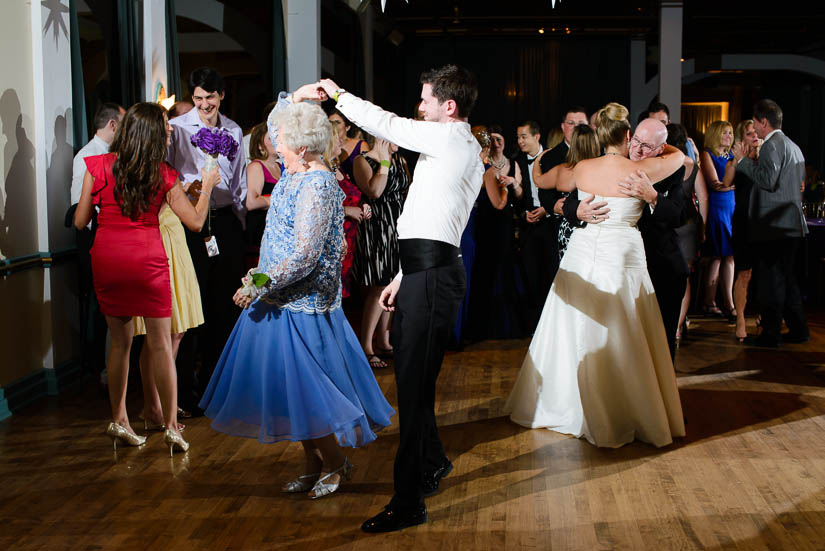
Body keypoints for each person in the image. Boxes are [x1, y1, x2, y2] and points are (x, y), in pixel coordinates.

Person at [199, 88, 394, 499]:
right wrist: (299, 95)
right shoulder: (294, 172)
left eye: (283, 142)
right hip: (277, 300)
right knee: (292, 394)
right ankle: (312, 465)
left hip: (303, 304)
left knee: (309, 394)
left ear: (303, 148)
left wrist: (257, 283)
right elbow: (274, 123)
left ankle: (338, 463)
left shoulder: (318, 185)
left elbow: (305, 255)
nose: (274, 146)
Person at [318, 64, 483, 532]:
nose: (420, 107)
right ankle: (432, 462)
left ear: (448, 107)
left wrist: (336, 92)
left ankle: (409, 502)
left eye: (427, 100)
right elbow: (430, 220)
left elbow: (385, 124)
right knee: (416, 386)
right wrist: (400, 277)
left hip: (433, 275)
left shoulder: (450, 138)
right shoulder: (453, 143)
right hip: (424, 271)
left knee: (411, 392)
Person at [506, 102, 686, 448]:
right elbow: (678, 157)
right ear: (628, 134)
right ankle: (628, 408)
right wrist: (659, 146)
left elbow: (541, 177)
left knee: (574, 329)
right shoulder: (642, 169)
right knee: (624, 333)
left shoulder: (582, 168)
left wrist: (573, 206)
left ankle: (566, 404)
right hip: (620, 255)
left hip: (582, 252)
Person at [74, 102, 219, 454]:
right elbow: (196, 222)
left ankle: (119, 419)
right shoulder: (164, 174)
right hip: (147, 261)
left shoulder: (97, 166)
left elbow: (80, 222)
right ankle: (170, 426)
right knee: (159, 345)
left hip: (107, 259)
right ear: (155, 137)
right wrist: (210, 185)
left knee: (120, 344)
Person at [563, 117, 689, 358]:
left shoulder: (672, 168)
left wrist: (653, 197)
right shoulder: (608, 161)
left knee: (658, 344)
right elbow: (570, 202)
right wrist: (577, 210)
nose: (638, 150)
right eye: (636, 142)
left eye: (648, 147)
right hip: (615, 269)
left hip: (660, 265)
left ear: (661, 149)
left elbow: (680, 215)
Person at [167, 67, 247, 413]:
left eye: (209, 99)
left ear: (221, 96)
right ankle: (185, 391)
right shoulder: (179, 130)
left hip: (225, 221)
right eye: (198, 98)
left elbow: (241, 179)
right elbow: (170, 176)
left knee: (223, 306)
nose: (203, 105)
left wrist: (238, 222)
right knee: (191, 305)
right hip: (192, 223)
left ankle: (219, 387)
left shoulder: (234, 130)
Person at [732, 99, 809, 347]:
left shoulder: (772, 145)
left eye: (755, 121)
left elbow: (768, 180)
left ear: (763, 121)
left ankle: (771, 335)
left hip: (773, 226)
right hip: (791, 225)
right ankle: (799, 330)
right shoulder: (794, 146)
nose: (754, 126)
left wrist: (743, 162)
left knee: (771, 282)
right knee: (788, 280)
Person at [70, 102, 124, 378]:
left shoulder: (118, 157)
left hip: (118, 242)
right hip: (98, 240)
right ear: (113, 124)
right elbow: (78, 209)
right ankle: (102, 369)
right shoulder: (87, 157)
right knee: (103, 308)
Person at [351, 137, 411, 368]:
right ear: (379, 137)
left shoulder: (401, 160)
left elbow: (406, 190)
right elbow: (375, 191)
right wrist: (384, 163)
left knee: (392, 284)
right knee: (378, 286)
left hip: (397, 227)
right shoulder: (362, 161)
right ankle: (366, 346)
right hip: (377, 229)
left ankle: (384, 341)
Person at [467, 124, 526, 340]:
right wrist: (504, 189)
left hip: (486, 224)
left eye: (499, 139)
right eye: (492, 140)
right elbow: (500, 203)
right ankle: (494, 326)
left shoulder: (468, 165)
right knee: (491, 270)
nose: (496, 144)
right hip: (489, 224)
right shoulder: (487, 169)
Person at [667, 123, 708, 344]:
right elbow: (703, 198)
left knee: (668, 275)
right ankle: (678, 327)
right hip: (689, 224)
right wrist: (703, 227)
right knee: (686, 278)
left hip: (668, 224)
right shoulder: (693, 166)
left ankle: (669, 323)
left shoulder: (662, 164)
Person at [534, 124, 600, 260]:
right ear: (595, 144)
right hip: (596, 227)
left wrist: (537, 161)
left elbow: (538, 181)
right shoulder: (602, 170)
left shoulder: (563, 171)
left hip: (570, 229)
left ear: (573, 144)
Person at [514, 120, 554, 329]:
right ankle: (536, 327)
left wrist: (547, 209)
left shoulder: (551, 158)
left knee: (551, 273)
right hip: (528, 226)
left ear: (537, 137)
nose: (520, 141)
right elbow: (516, 200)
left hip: (549, 224)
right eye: (518, 137)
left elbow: (559, 190)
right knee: (531, 275)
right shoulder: (517, 162)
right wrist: (524, 214)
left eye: (524, 136)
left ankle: (552, 324)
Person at [328, 123, 371, 300]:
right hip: (335, 237)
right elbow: (321, 206)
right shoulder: (323, 170)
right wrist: (347, 210)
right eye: (336, 137)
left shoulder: (338, 168)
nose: (341, 140)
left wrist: (362, 206)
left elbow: (350, 196)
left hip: (349, 238)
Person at [700, 120, 736, 318]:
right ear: (715, 135)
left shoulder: (731, 155)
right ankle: (709, 301)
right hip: (717, 207)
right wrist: (728, 187)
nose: (729, 137)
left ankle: (729, 302)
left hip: (731, 207)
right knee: (716, 255)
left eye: (730, 133)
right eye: (724, 133)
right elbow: (714, 183)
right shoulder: (708, 154)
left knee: (729, 255)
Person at [731, 120, 760, 342]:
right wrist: (737, 160)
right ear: (742, 138)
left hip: (763, 221)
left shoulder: (767, 158)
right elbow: (725, 181)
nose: (754, 136)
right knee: (744, 272)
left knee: (763, 273)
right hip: (743, 220)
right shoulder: (737, 161)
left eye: (756, 132)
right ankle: (740, 318)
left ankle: (763, 314)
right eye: (749, 134)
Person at [245, 122, 281, 252]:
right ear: (260, 145)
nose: (277, 141)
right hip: (261, 231)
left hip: (277, 231)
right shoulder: (256, 166)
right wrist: (277, 200)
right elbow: (251, 202)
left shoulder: (279, 166)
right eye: (271, 138)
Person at [329, 109, 371, 181]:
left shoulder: (361, 146)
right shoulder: (326, 148)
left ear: (347, 127)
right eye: (330, 123)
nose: (333, 126)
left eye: (337, 123)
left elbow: (369, 175)